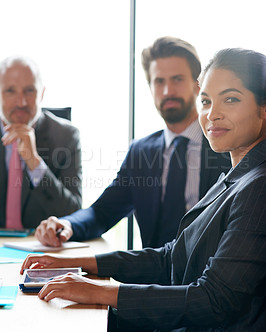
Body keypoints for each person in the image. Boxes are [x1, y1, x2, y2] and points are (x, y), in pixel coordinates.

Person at [21, 47, 266, 332]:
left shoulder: (256, 184)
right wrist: (72, 262)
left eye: (230, 99)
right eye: (206, 101)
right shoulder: (235, 176)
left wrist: (100, 291)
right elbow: (169, 254)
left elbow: (214, 299)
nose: (212, 113)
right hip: (183, 328)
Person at [34, 36, 230, 248]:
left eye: (177, 79)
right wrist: (66, 224)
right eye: (159, 81)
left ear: (197, 85)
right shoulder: (141, 151)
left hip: (209, 275)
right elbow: (102, 212)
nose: (167, 91)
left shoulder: (225, 145)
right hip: (152, 277)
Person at [0, 56, 82, 229]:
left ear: (42, 93)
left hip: (41, 248)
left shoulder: (66, 137)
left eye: (29, 90)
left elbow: (73, 214)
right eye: (10, 91)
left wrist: (35, 163)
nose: (21, 102)